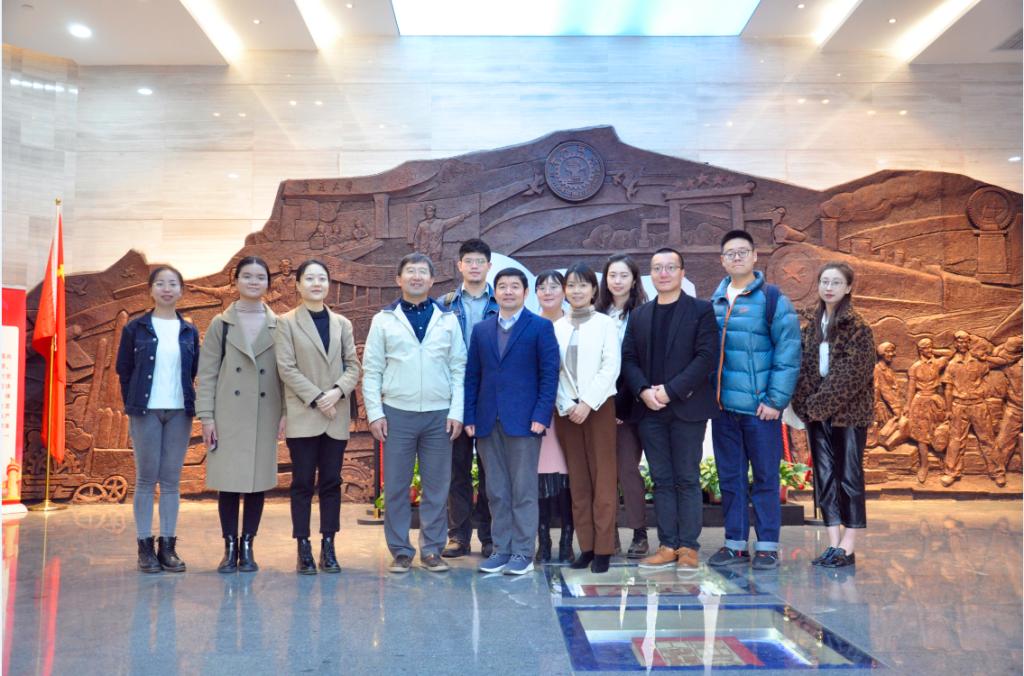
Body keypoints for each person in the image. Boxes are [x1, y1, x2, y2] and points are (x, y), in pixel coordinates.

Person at [362, 253, 467, 574]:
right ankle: (400, 551)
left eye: (423, 272)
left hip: (439, 415)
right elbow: (372, 370)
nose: (417, 277)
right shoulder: (384, 319)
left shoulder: (447, 319)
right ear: (399, 279)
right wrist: (375, 413)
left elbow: (459, 368)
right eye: (411, 271)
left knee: (437, 487)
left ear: (432, 280)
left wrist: (457, 411)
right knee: (396, 487)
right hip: (397, 414)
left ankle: (432, 550)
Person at [620, 248, 719, 572]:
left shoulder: (701, 310)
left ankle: (688, 546)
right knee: (661, 479)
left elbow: (706, 357)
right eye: (657, 268)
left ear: (682, 272)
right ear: (651, 274)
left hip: (687, 407)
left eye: (670, 267)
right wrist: (643, 390)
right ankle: (667, 544)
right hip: (649, 410)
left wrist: (670, 390)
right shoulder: (639, 315)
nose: (663, 273)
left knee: (687, 478)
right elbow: (629, 358)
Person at [709, 230, 800, 570]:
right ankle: (734, 544)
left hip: (761, 410)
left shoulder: (773, 299)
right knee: (730, 479)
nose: (736, 257)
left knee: (765, 478)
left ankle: (767, 546)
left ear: (754, 256)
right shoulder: (715, 302)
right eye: (730, 253)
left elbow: (788, 353)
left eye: (742, 252)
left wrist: (776, 400)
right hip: (724, 410)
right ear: (722, 260)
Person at [464, 267, 560, 576]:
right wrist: (470, 416)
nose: (508, 291)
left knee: (523, 490)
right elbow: (472, 376)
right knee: (496, 491)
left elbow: (549, 375)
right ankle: (501, 549)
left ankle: (522, 552)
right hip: (487, 421)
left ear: (525, 292)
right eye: (502, 286)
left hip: (525, 422)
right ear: (496, 292)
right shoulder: (482, 330)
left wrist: (541, 415)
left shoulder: (540, 327)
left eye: (514, 286)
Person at [196, 256, 285, 574]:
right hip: (228, 414)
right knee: (229, 482)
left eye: (260, 277)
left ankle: (247, 545)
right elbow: (207, 374)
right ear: (235, 281)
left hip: (265, 411)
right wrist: (207, 417)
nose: (253, 282)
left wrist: (286, 413)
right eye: (247, 276)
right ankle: (229, 546)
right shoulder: (221, 324)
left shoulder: (279, 325)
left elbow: (285, 374)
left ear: (268, 284)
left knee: (257, 482)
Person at [274, 259, 361, 575]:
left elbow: (353, 365)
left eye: (321, 278)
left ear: (328, 284)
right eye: (309, 278)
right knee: (301, 483)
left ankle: (328, 545)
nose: (316, 284)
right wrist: (316, 397)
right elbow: (286, 368)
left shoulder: (342, 323)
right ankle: (303, 547)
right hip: (304, 414)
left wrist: (336, 392)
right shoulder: (285, 323)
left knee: (331, 483)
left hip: (335, 414)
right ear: (298, 285)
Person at [790, 262, 875, 569]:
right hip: (817, 414)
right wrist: (805, 405)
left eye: (836, 282)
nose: (829, 287)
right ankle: (833, 543)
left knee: (849, 477)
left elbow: (851, 376)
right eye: (825, 281)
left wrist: (816, 406)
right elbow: (803, 369)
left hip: (848, 415)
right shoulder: (812, 325)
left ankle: (848, 547)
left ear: (848, 287)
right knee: (824, 477)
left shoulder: (858, 327)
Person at [116, 265, 200, 573]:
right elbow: (124, 370)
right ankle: (144, 547)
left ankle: (168, 547)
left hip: (179, 412)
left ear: (181, 291)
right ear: (150, 290)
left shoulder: (189, 331)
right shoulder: (135, 329)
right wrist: (134, 404)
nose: (167, 289)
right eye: (161, 284)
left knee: (171, 481)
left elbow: (192, 371)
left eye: (173, 284)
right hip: (146, 411)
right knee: (146, 479)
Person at [553, 263, 621, 573]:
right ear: (565, 291)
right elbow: (551, 371)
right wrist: (567, 403)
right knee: (578, 481)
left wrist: (588, 403)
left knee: (603, 478)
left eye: (583, 285)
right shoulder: (556, 327)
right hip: (566, 412)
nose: (577, 290)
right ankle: (587, 547)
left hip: (599, 408)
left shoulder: (605, 324)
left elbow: (611, 367)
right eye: (571, 285)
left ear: (594, 290)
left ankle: (604, 548)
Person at [439, 239, 499, 559]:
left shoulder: (501, 302)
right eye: (469, 261)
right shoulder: (444, 304)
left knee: (491, 469)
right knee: (456, 468)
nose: (474, 266)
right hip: (454, 395)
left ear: (489, 266)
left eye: (480, 261)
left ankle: (489, 536)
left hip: (490, 395)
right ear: (459, 266)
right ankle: (458, 537)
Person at [596, 254, 650, 559]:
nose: (617, 281)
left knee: (628, 469)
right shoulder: (595, 314)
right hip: (598, 406)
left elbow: (638, 363)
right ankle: (609, 533)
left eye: (623, 275)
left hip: (631, 405)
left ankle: (639, 532)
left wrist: (620, 406)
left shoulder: (642, 314)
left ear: (634, 280)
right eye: (612, 275)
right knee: (603, 473)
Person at [533, 270, 575, 564]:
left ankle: (567, 541)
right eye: (542, 287)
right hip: (538, 414)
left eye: (554, 286)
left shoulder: (576, 324)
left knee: (568, 480)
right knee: (539, 480)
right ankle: (544, 541)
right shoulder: (528, 324)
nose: (548, 292)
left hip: (571, 412)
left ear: (565, 291)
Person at [940, 331, 997, 487]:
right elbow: (948, 389)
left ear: (969, 343)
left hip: (978, 405)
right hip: (959, 405)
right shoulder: (952, 365)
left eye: (966, 341)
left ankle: (997, 472)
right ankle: (951, 472)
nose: (963, 344)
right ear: (955, 344)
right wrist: (948, 409)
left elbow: (993, 369)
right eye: (960, 342)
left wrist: (986, 358)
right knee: (955, 440)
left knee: (987, 439)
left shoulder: (979, 362)